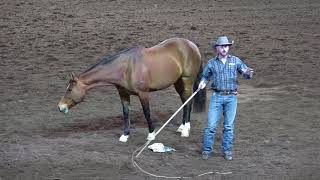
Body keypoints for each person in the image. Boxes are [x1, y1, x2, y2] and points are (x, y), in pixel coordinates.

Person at [198, 36, 254, 161]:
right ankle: (207, 149)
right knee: (211, 126)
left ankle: (227, 150)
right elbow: (205, 76)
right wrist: (202, 82)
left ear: (229, 47)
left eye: (226, 46)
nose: (224, 48)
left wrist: (248, 73)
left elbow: (245, 72)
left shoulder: (235, 60)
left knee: (228, 126)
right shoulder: (212, 63)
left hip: (231, 97)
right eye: (222, 46)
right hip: (217, 97)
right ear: (217, 48)